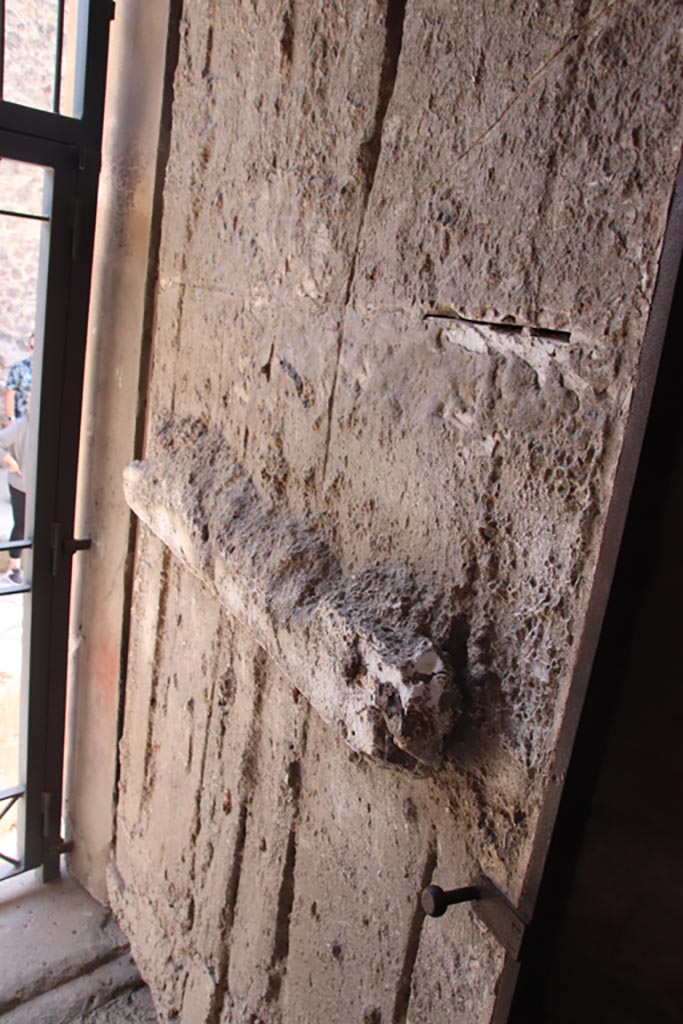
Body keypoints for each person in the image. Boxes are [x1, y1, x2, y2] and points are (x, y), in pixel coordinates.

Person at [0, 403, 30, 585]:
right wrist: (10, 461)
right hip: (20, 484)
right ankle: (14, 568)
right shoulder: (22, 424)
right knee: (21, 524)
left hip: (35, 484)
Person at [5, 333, 33, 423]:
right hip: (23, 420)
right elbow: (10, 393)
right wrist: (11, 418)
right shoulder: (19, 367)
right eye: (32, 347)